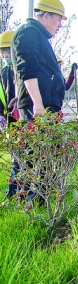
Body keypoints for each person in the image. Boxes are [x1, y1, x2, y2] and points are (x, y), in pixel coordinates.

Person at [11, 0, 67, 121]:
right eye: (59, 19)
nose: (60, 25)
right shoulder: (30, 32)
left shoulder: (38, 35)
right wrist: (37, 102)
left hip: (44, 104)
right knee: (40, 140)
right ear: (46, 16)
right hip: (40, 109)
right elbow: (27, 69)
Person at [0, 30, 20, 198]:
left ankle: (15, 192)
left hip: (20, 121)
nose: (5, 54)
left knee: (20, 159)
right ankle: (14, 191)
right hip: (9, 122)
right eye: (2, 51)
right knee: (16, 158)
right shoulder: (4, 72)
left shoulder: (19, 71)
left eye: (8, 50)